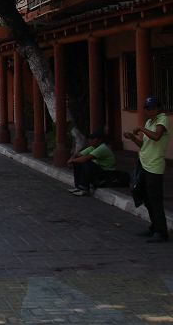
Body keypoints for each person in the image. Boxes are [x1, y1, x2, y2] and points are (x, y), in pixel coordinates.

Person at [123, 96, 170, 243]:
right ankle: (154, 226)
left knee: (155, 199)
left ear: (159, 108)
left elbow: (156, 136)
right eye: (148, 108)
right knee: (144, 195)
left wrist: (141, 128)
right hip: (144, 162)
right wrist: (132, 137)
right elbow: (143, 144)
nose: (150, 111)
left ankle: (161, 232)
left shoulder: (162, 119)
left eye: (153, 108)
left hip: (154, 165)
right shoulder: (149, 121)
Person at [66, 131, 115, 196]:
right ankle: (78, 186)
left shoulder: (103, 148)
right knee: (78, 162)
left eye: (92, 139)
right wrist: (72, 159)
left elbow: (85, 158)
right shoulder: (93, 147)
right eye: (89, 139)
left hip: (107, 173)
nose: (90, 140)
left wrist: (72, 161)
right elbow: (78, 155)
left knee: (86, 163)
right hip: (99, 171)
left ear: (99, 140)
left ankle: (84, 188)